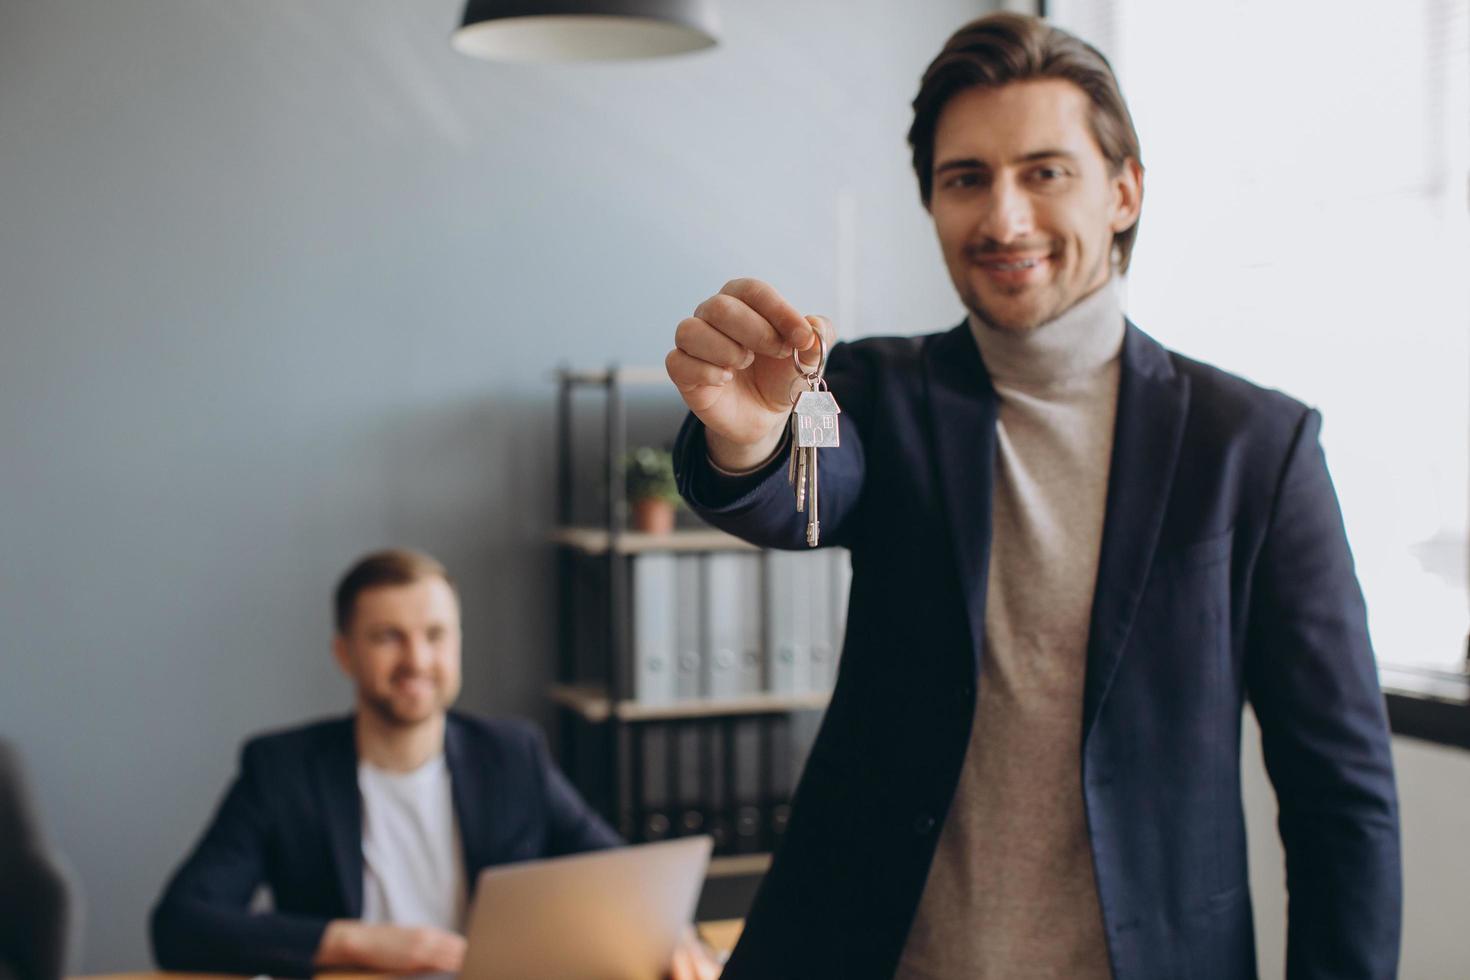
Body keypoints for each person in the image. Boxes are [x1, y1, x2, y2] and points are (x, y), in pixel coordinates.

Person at [665, 12, 1400, 980]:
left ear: (1124, 191)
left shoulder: (1255, 447)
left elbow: (1338, 795)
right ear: (931, 201)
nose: (1003, 218)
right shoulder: (880, 391)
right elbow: (802, 494)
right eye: (966, 178)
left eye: (1044, 172)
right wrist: (749, 434)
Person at [151, 549, 716, 979]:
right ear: (344, 653)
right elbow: (180, 924)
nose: (416, 660)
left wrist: (672, 934)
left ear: (457, 644)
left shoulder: (511, 754)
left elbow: (618, 875)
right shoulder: (281, 770)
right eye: (387, 638)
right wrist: (359, 942)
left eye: (435, 635)